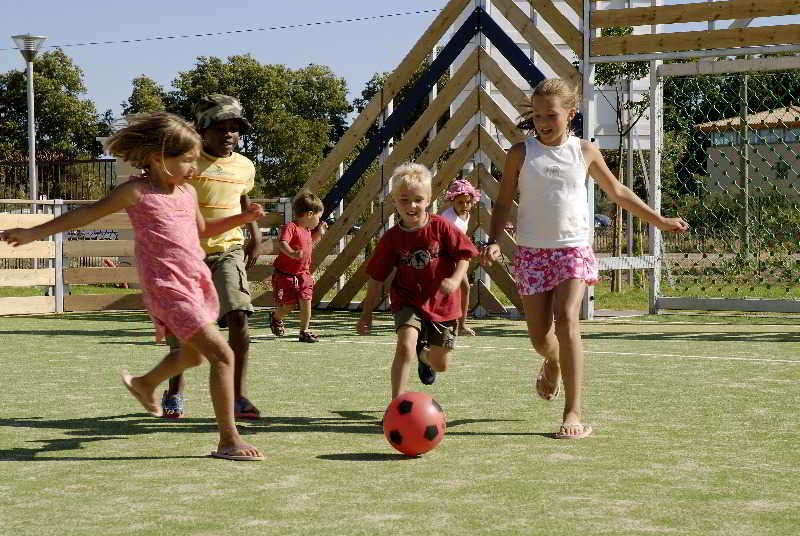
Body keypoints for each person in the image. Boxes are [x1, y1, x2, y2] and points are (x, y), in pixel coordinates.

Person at [0, 112, 265, 461]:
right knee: (222, 354)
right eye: (186, 160)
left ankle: (144, 384)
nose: (193, 167)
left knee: (192, 354)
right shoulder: (135, 191)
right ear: (158, 159)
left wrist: (241, 220)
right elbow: (85, 215)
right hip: (165, 287)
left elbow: (200, 232)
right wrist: (34, 233)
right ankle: (228, 440)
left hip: (194, 281)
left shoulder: (186, 192)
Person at [480, 78, 689, 439]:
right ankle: (553, 361)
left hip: (573, 249)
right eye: (538, 116)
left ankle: (573, 411)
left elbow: (618, 192)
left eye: (552, 115)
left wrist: (659, 220)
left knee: (567, 319)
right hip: (531, 252)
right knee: (539, 338)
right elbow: (502, 203)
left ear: (571, 114)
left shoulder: (585, 151)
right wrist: (494, 240)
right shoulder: (520, 153)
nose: (544, 123)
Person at [161, 94, 262, 420]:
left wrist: (255, 235)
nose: (230, 135)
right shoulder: (188, 164)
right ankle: (175, 389)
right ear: (203, 131)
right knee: (188, 332)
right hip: (188, 256)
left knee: (239, 315)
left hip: (228, 251)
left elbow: (243, 199)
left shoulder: (245, 166)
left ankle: (238, 395)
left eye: (235, 129)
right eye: (221, 128)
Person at [357, 163, 479, 400]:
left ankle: (425, 357)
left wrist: (455, 280)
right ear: (394, 202)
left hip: (442, 304)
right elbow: (376, 278)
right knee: (404, 346)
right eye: (404, 200)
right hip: (408, 300)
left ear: (428, 200)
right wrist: (366, 313)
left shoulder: (441, 226)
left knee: (440, 363)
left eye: (417, 199)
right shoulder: (391, 238)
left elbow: (465, 255)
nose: (411, 206)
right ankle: (396, 403)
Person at [269, 190, 327, 343]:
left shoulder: (307, 231)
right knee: (288, 305)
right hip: (286, 275)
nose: (318, 220)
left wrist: (319, 233)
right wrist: (292, 254)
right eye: (318, 217)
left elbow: (310, 244)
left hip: (303, 275)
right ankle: (276, 317)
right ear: (309, 214)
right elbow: (282, 243)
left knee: (306, 301)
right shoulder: (291, 227)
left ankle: (304, 331)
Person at [440, 178, 481, 336]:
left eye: (467, 202)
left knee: (464, 287)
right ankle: (443, 322)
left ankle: (461, 325)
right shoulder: (447, 219)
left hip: (458, 258)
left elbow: (461, 236)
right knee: (449, 289)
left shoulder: (467, 215)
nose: (464, 206)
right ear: (452, 201)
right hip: (445, 257)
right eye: (460, 202)